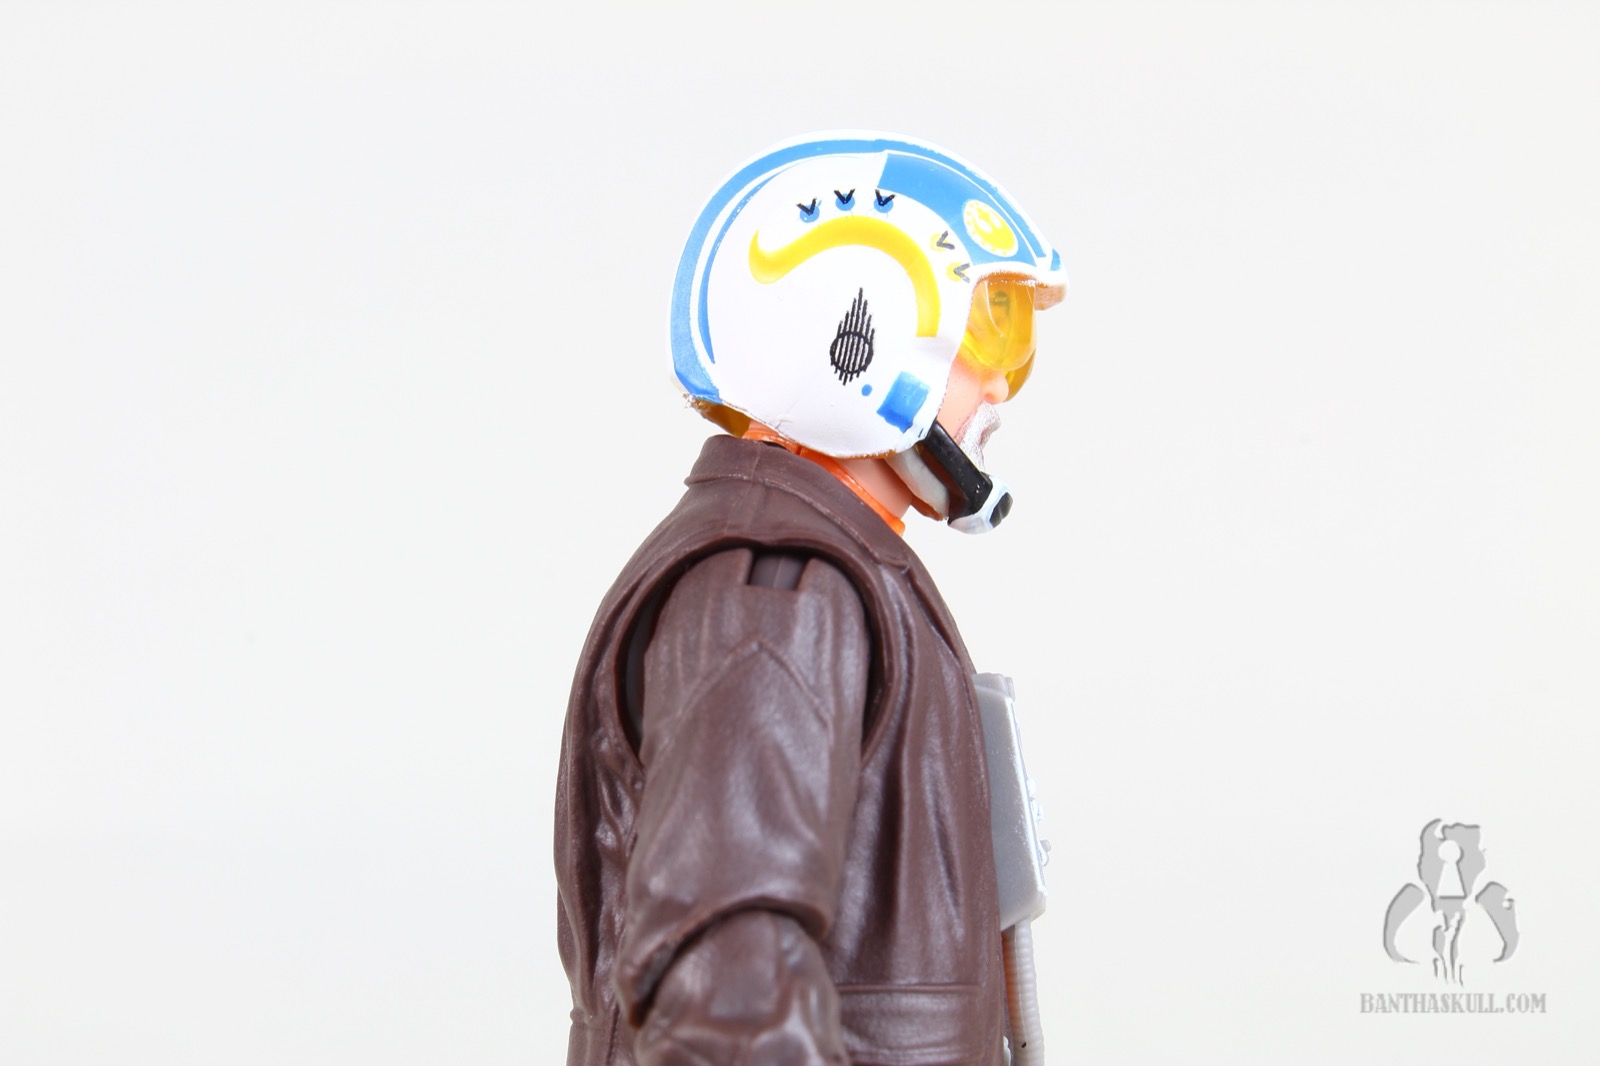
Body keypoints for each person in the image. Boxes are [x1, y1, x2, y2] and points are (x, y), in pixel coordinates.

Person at [555, 132, 1067, 1065]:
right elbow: (728, 1000)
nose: (1000, 382)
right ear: (864, 328)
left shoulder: (813, 573)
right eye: (988, 332)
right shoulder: (776, 595)